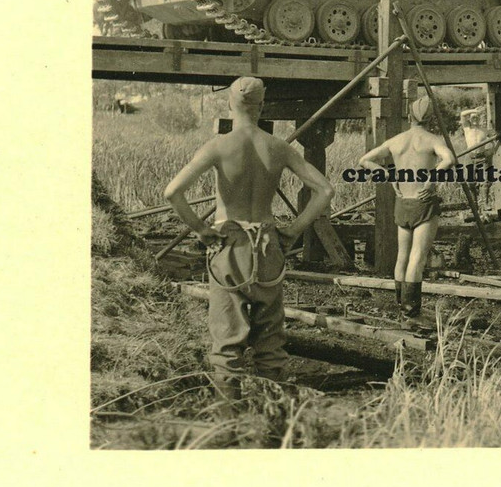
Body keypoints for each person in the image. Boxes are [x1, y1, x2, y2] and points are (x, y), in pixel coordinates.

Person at [164, 77, 335, 404]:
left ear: (230, 103)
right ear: (262, 106)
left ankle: (232, 422)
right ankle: (273, 418)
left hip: (230, 246)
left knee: (227, 345)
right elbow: (325, 190)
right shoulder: (278, 147)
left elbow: (173, 192)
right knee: (271, 345)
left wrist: (200, 230)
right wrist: (294, 229)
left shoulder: (218, 146)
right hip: (268, 246)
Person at [358, 94, 455, 322]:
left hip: (403, 202)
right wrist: (431, 179)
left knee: (402, 256)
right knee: (417, 258)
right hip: (423, 202)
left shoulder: (396, 140)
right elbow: (449, 160)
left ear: (409, 116)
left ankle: (401, 305)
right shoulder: (432, 140)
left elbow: (364, 160)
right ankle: (411, 312)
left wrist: (388, 175)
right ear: (430, 119)